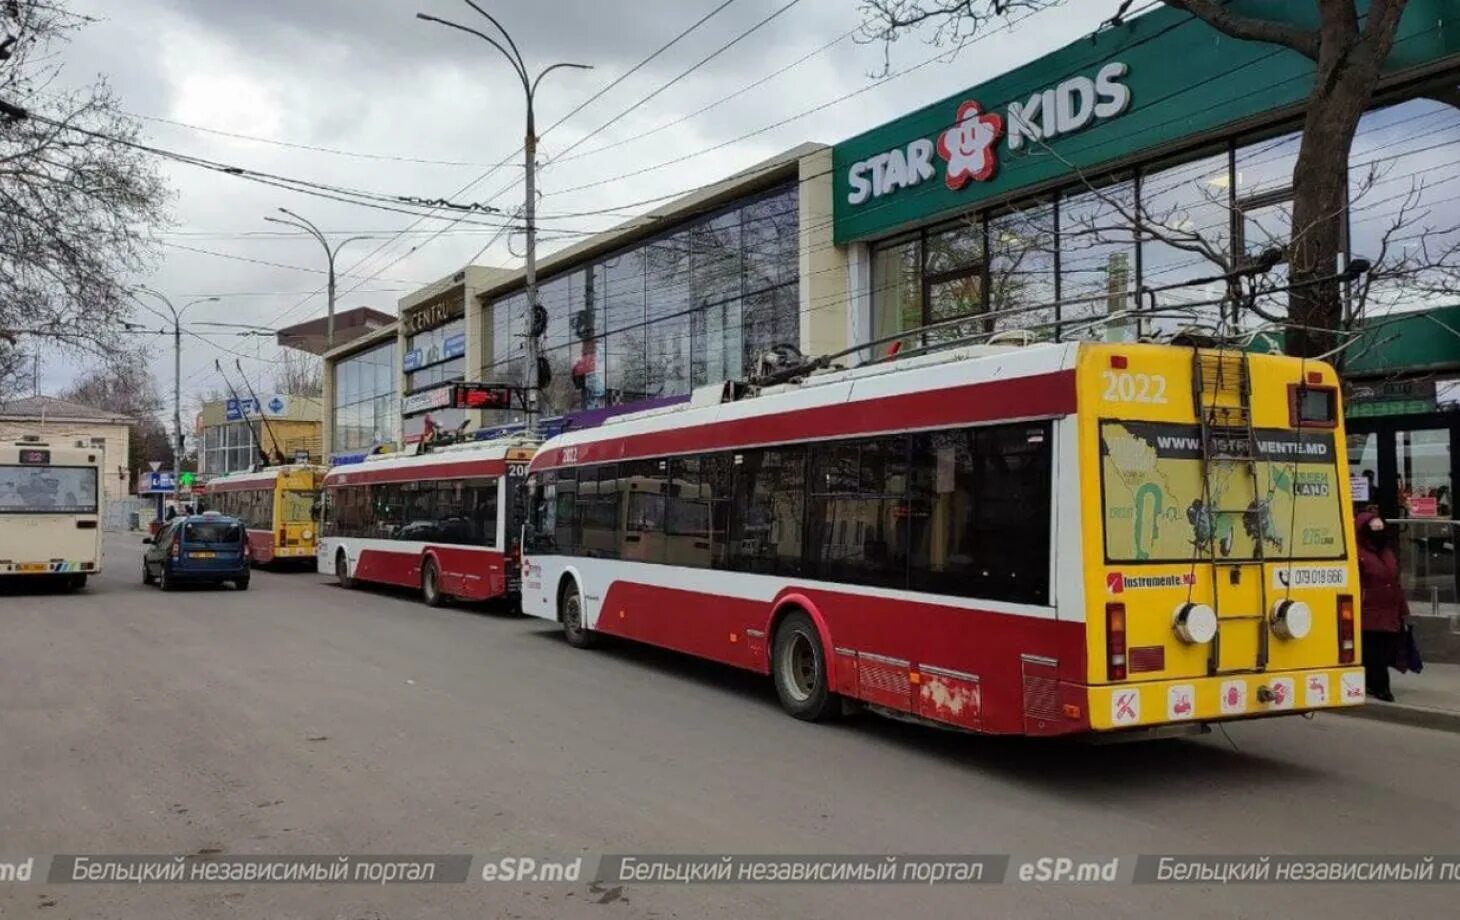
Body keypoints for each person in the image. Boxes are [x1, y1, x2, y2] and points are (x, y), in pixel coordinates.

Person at [1354, 509, 1408, 702]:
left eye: (1380, 527)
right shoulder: (1358, 553)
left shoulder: (1386, 552)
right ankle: (1380, 687)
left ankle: (1372, 683)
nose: (1378, 531)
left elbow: (1395, 581)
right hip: (1369, 611)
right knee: (1374, 651)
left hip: (1389, 611)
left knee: (1383, 650)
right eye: (1374, 527)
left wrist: (1403, 610)